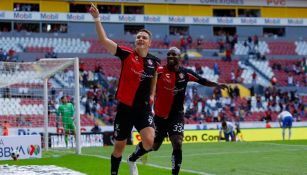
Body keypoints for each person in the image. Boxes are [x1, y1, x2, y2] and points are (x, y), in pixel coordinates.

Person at [127, 47, 229, 175]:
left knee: (177, 142)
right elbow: (144, 79)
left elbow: (202, 80)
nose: (170, 56)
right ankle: (132, 158)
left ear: (179, 57)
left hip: (176, 115)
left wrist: (218, 85)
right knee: (154, 146)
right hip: (159, 116)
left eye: (173, 54)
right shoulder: (159, 71)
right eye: (168, 54)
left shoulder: (185, 74)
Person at [89, 3, 160, 175]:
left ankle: (132, 159)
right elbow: (104, 41)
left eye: (144, 37)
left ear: (149, 42)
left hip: (143, 109)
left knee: (151, 142)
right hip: (125, 108)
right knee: (118, 147)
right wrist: (97, 19)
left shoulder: (154, 62)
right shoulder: (127, 54)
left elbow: (154, 79)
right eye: (138, 37)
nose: (140, 39)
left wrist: (152, 94)